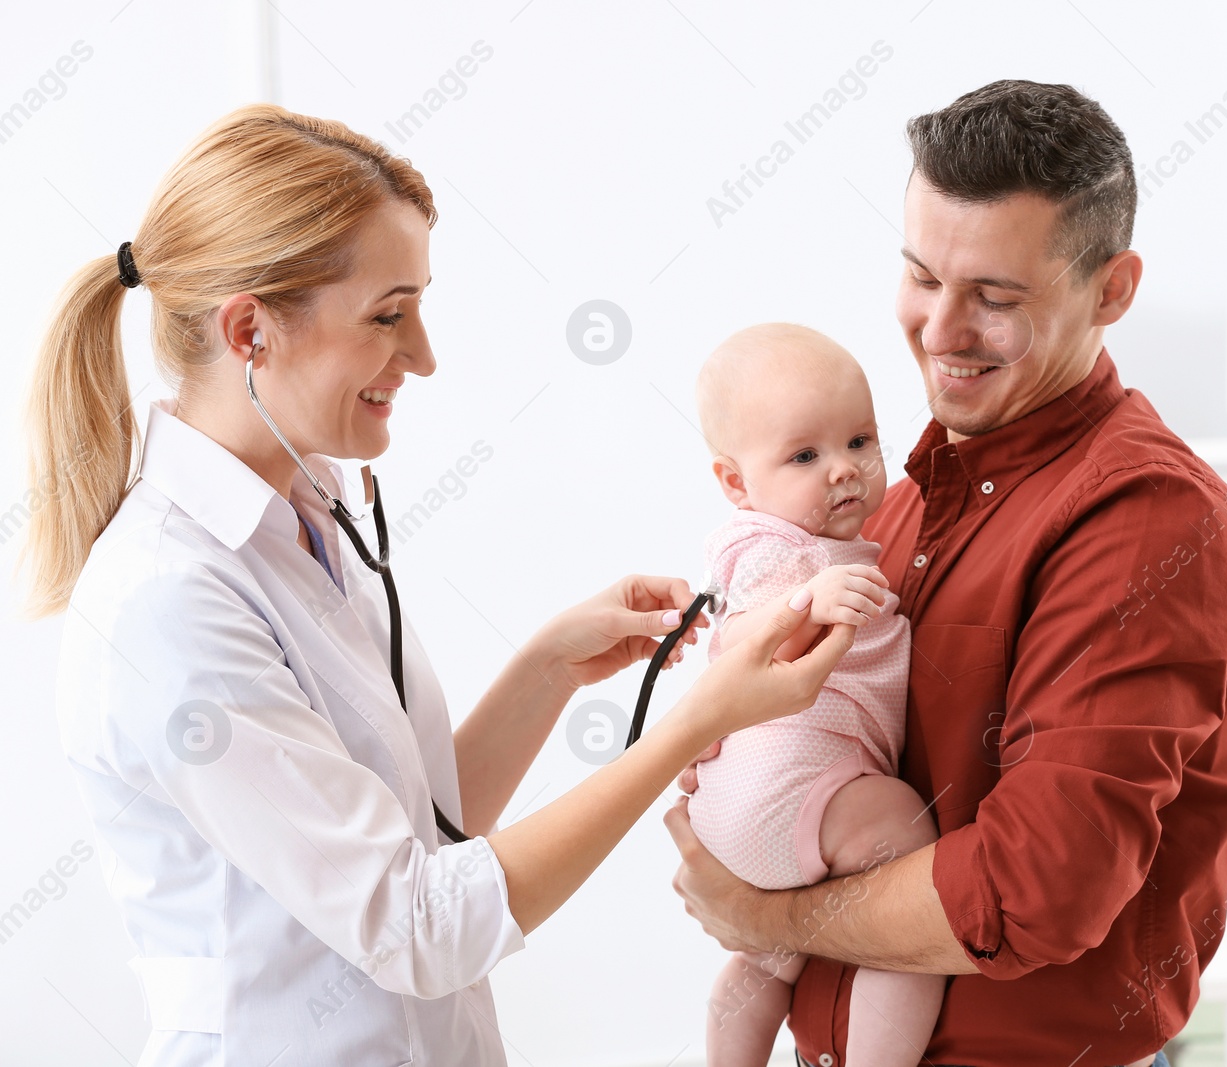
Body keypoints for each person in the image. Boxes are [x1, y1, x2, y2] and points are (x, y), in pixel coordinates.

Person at [18, 103, 854, 1067]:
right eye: (388, 316)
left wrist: (548, 669)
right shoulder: (169, 601)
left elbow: (418, 829)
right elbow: (414, 923)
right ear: (250, 331)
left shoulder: (303, 509)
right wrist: (695, 720)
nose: (423, 356)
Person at [664, 80, 1227, 1067]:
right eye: (920, 276)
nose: (940, 330)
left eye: (994, 297)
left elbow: (1033, 887)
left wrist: (760, 907)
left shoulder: (1141, 521)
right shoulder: (898, 500)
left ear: (1111, 290)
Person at [687, 324, 942, 1066]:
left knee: (768, 958)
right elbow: (743, 645)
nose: (845, 470)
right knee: (910, 880)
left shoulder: (826, 542)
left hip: (749, 806)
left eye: (860, 441)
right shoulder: (780, 554)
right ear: (736, 483)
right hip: (789, 790)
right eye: (805, 455)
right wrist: (812, 600)